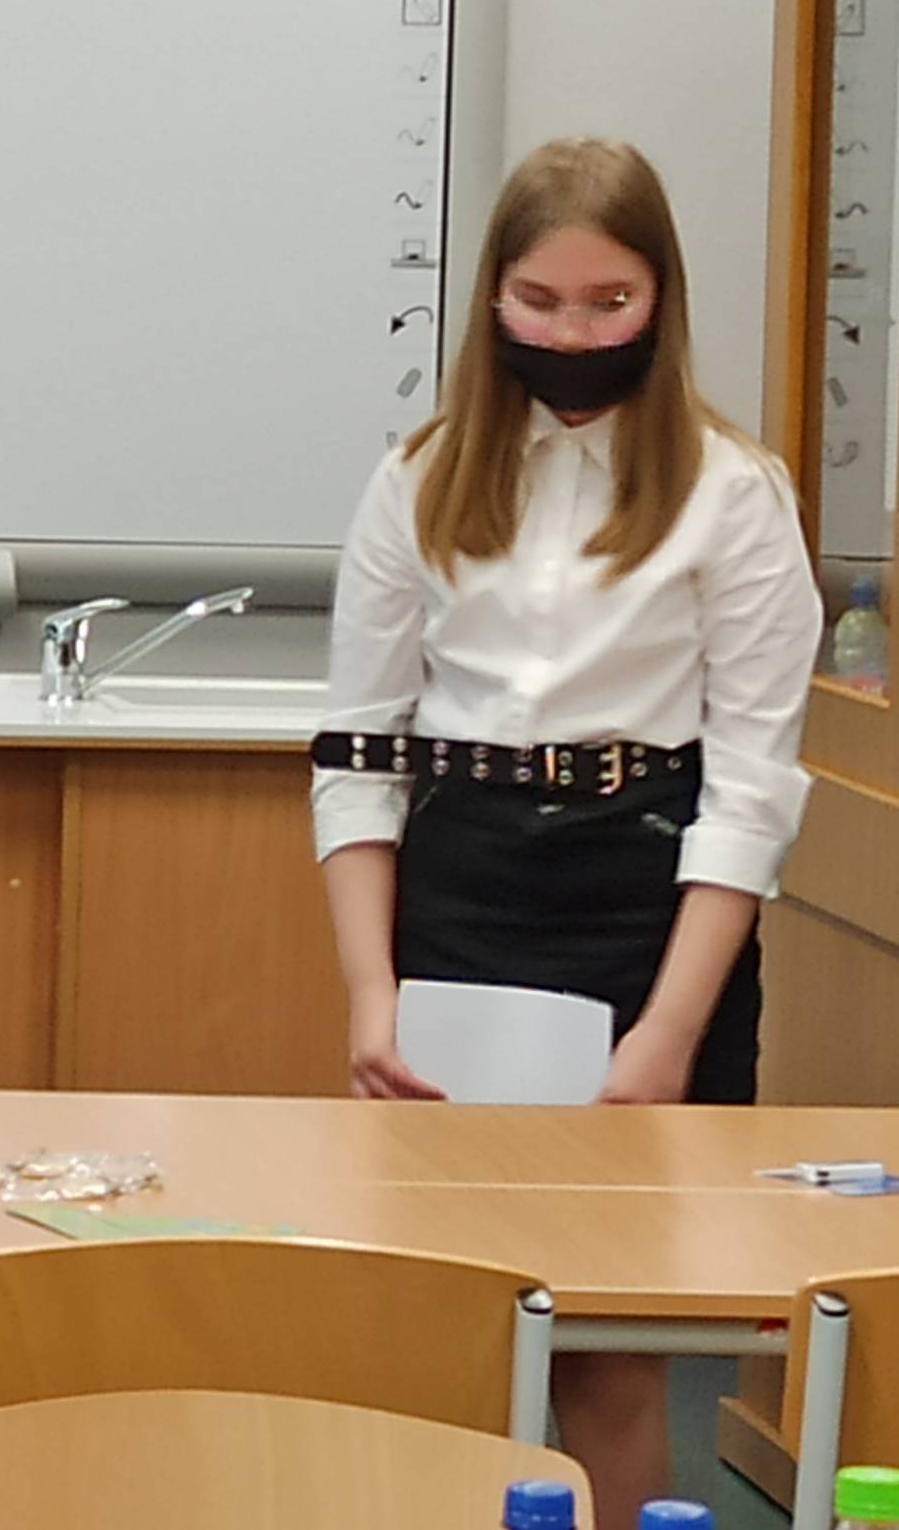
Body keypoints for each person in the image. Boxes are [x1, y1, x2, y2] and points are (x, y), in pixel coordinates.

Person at [312, 136, 821, 1528]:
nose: (576, 334)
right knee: (436, 1321)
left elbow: (751, 790)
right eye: (541, 301)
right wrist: (371, 994)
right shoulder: (418, 477)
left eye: (611, 303)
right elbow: (358, 755)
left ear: (662, 299)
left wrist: (667, 1036)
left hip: (648, 904)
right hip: (462, 893)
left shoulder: (733, 491)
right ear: (491, 296)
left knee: (610, 1350)